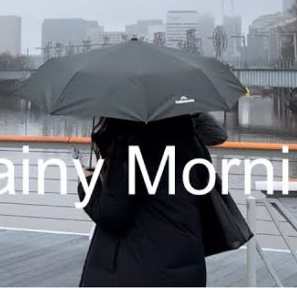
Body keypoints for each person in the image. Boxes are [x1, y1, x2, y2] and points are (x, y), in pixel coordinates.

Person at [78, 115, 211, 287]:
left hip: (141, 268)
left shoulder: (128, 143)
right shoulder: (189, 139)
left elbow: (112, 215)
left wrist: (87, 183)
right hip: (186, 264)